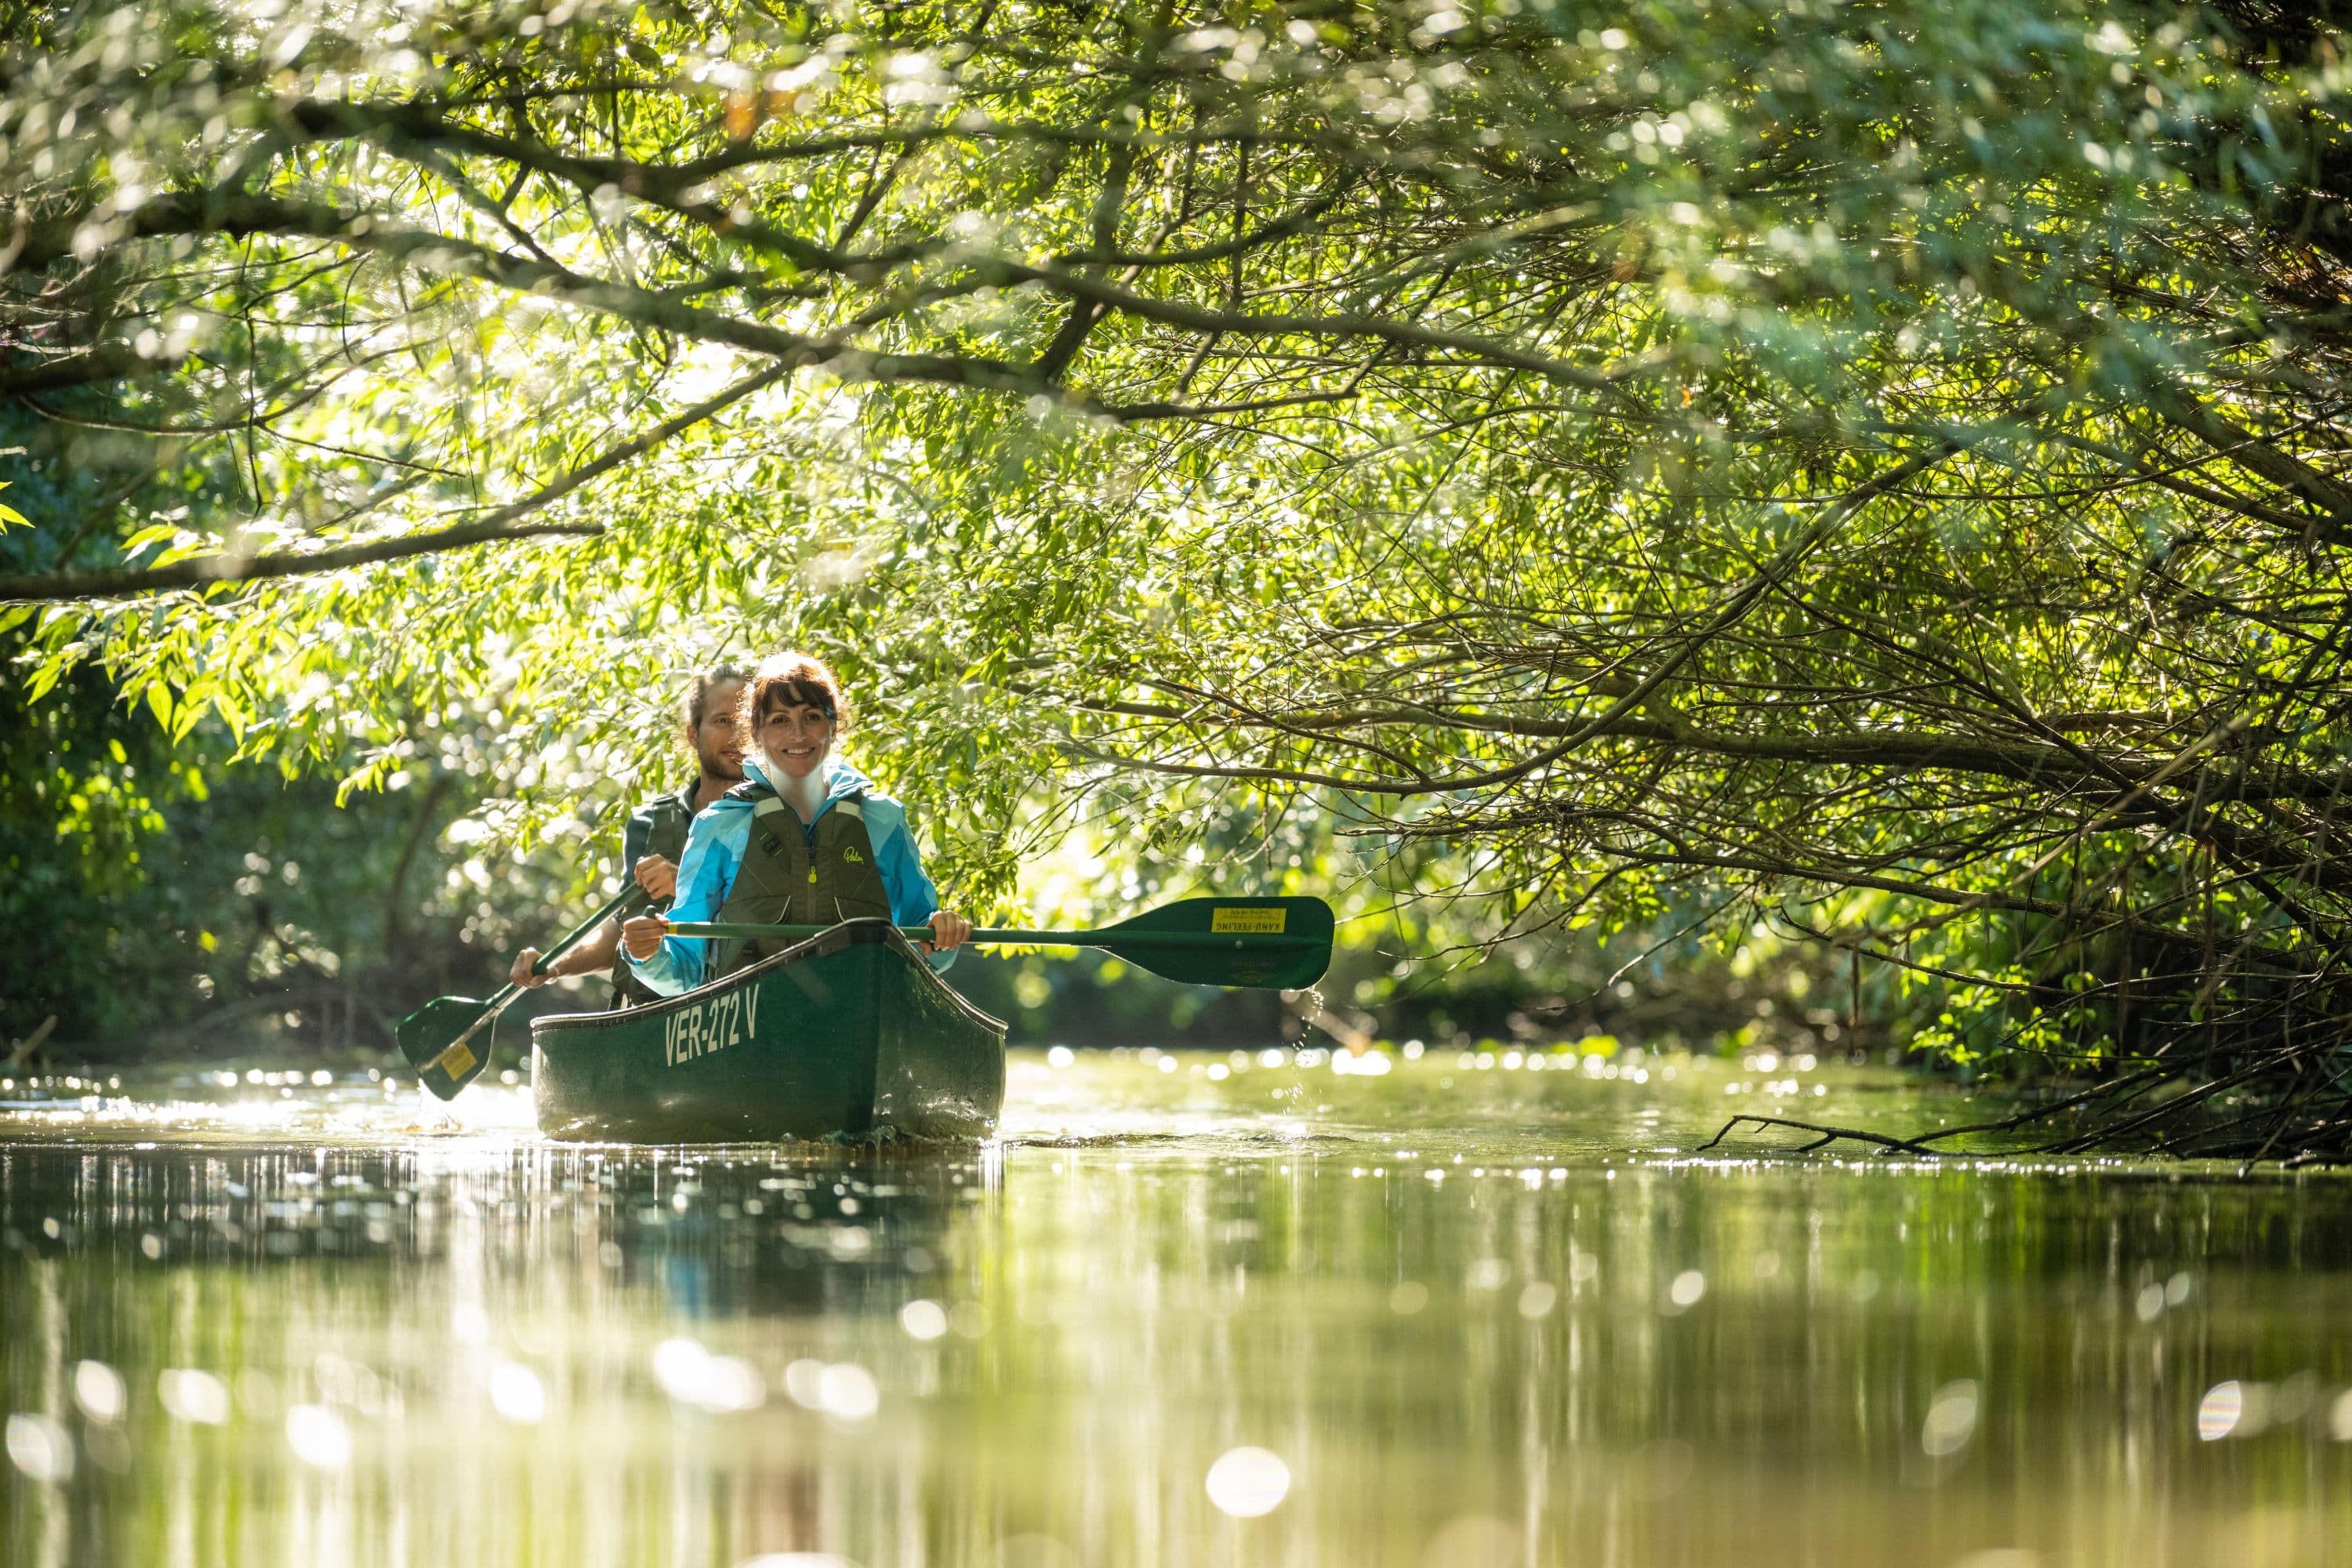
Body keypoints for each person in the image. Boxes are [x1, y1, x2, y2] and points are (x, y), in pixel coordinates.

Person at [620, 651, 970, 993]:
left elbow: (922, 938)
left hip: (858, 1015)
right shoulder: (718, 826)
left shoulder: (884, 819)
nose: (798, 734)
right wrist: (646, 954)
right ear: (755, 734)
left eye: (812, 717)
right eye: (779, 720)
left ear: (833, 726)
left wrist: (942, 933)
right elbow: (685, 968)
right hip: (753, 1035)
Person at [509, 667, 746, 1004]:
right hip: (650, 1016)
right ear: (693, 734)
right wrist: (555, 966)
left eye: (748, 721)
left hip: (737, 1010)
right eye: (723, 721)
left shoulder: (779, 817)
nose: (738, 735)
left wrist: (683, 881)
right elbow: (622, 931)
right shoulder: (649, 823)